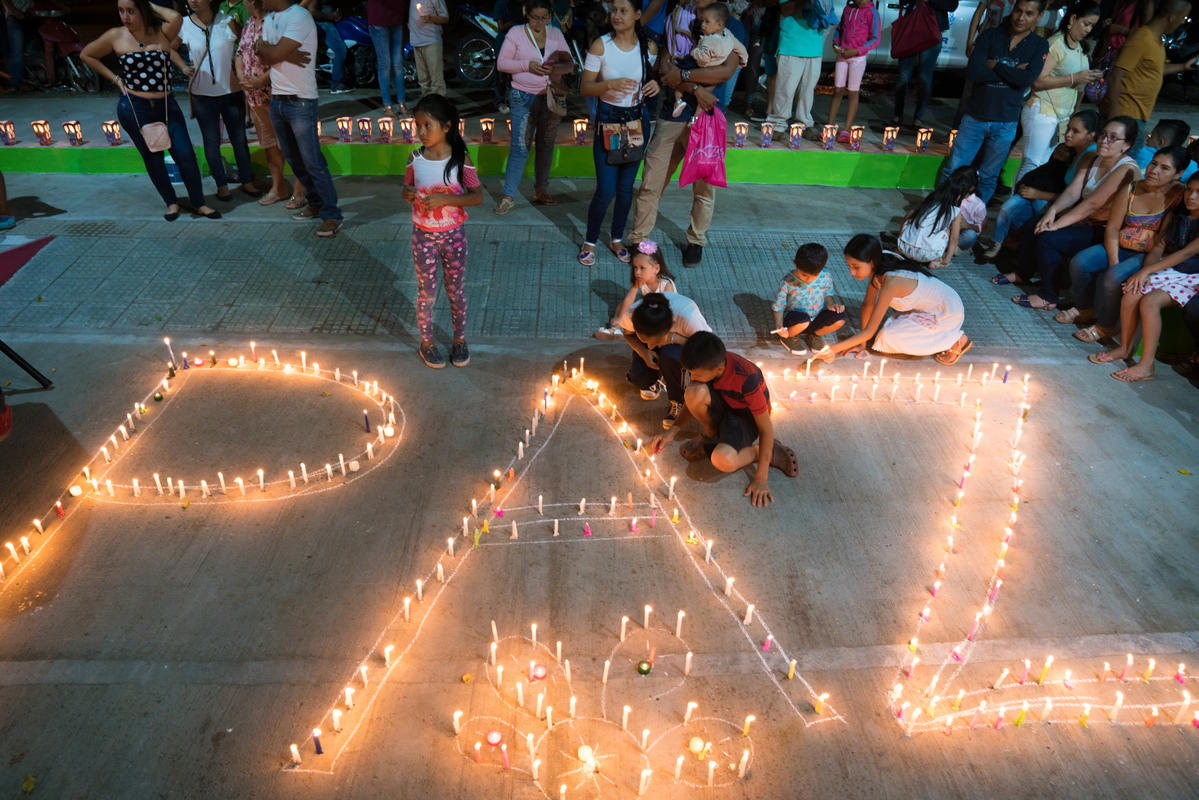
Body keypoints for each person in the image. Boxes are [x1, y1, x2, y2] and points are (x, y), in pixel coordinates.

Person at [81, 0, 220, 221]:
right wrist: (116, 79)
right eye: (121, 11)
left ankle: (199, 203)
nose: (125, 16)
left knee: (185, 154)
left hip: (166, 106)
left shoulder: (161, 32)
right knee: (153, 157)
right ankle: (171, 203)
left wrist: (147, 3)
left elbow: (176, 17)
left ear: (143, 11)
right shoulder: (116, 35)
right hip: (135, 108)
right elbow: (87, 55)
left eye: (131, 11)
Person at [628, 0, 739, 269]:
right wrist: (696, 89)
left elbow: (726, 70)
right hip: (672, 113)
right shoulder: (677, 15)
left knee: (704, 188)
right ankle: (638, 239)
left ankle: (696, 241)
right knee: (652, 180)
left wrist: (686, 78)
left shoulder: (727, 24)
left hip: (706, 117)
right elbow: (667, 66)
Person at [652, 331, 799, 508]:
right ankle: (710, 435)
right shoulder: (705, 363)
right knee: (693, 392)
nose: (693, 377)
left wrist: (760, 478)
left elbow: (766, 429)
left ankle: (759, 453)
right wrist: (673, 430)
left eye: (696, 375)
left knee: (722, 460)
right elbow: (692, 399)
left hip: (745, 418)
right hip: (726, 405)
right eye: (691, 373)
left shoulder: (747, 379)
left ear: (719, 370)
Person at [1005, 116, 1141, 305]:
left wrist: (1056, 225)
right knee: (1037, 223)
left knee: (1049, 237)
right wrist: (1052, 212)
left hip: (1106, 228)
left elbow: (1093, 203)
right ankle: (1023, 274)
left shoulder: (1126, 169)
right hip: (1085, 219)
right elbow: (1073, 191)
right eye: (1103, 135)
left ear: (1126, 145)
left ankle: (1048, 295)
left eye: (1113, 137)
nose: (1104, 140)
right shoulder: (1091, 157)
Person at [1060, 145, 1186, 341]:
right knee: (1080, 263)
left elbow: (1161, 242)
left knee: (1113, 277)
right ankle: (1085, 307)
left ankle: (1105, 326)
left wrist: (1146, 271)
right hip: (1120, 245)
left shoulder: (1179, 197)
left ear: (1178, 174)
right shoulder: (1132, 189)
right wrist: (1114, 259)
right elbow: (1112, 228)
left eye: (1164, 168)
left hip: (1148, 254)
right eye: (1153, 163)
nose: (1154, 171)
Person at [1093, 172, 1199, 380]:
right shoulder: (1177, 215)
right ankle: (1124, 348)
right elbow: (1159, 247)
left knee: (1150, 302)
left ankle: (1146, 365)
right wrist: (1147, 273)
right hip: (1171, 270)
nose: (1192, 196)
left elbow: (1186, 254)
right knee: (1132, 291)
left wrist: (1146, 271)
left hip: (1192, 275)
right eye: (1190, 190)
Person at [402, 94, 483, 369]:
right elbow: (406, 189)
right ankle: (427, 342)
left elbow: (476, 197)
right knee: (426, 292)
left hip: (454, 236)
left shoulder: (461, 159)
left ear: (447, 127)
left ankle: (459, 339)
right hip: (422, 236)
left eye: (428, 126)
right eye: (418, 126)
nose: (421, 132)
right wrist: (408, 193)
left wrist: (445, 200)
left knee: (455, 290)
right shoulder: (414, 159)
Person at [577, 0, 659, 266]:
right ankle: (589, 241)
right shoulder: (602, 45)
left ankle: (616, 238)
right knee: (605, 189)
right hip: (609, 120)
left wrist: (654, 85)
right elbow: (585, 88)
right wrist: (608, 84)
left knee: (625, 190)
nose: (616, 15)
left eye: (623, 11)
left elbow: (652, 78)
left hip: (637, 121)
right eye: (613, 10)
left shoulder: (649, 47)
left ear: (637, 14)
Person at [943, 0, 1048, 205]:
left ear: (1039, 16)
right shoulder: (990, 35)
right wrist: (1013, 73)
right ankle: (941, 213)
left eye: (1028, 13)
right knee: (954, 169)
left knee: (988, 176)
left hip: (1006, 121)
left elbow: (1027, 80)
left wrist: (995, 66)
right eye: (1018, 11)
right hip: (975, 116)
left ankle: (973, 220)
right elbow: (974, 71)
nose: (1021, 17)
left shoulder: (1039, 45)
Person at [256, 0, 344, 237]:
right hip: (278, 99)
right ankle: (315, 204)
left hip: (301, 100)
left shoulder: (299, 16)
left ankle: (331, 215)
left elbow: (269, 52)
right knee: (295, 160)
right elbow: (262, 55)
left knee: (313, 161)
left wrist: (275, 52)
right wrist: (285, 54)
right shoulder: (271, 18)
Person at [820, 234, 972, 364]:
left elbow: (869, 331)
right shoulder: (878, 266)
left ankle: (955, 339)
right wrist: (862, 344)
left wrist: (833, 349)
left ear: (871, 261)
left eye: (856, 267)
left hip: (947, 313)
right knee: (886, 336)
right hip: (925, 310)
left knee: (889, 338)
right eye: (849, 266)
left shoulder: (892, 282)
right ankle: (942, 336)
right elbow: (867, 306)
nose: (851, 272)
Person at [982, 109, 1099, 257]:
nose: (1068, 134)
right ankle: (1000, 241)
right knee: (1010, 206)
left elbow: (1074, 196)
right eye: (1068, 128)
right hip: (1055, 198)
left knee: (1032, 205)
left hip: (1072, 209)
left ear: (1091, 135)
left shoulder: (1089, 156)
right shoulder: (1072, 150)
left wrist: (1038, 194)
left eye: (1075, 131)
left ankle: (1017, 246)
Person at [178, 0, 261, 201]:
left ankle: (247, 181)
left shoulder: (227, 21)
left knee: (239, 140)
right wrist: (182, 66)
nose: (193, 1)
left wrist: (244, 73)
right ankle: (221, 185)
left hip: (231, 91)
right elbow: (167, 47)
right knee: (211, 141)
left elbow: (245, 46)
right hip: (202, 94)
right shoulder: (184, 24)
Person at [495, 0, 573, 213]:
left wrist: (555, 68)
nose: (540, 22)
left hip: (550, 97)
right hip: (522, 96)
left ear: (550, 16)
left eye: (544, 18)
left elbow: (569, 63)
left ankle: (541, 190)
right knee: (520, 146)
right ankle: (508, 195)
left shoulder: (555, 33)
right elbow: (502, 63)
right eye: (535, 17)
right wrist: (526, 66)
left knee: (546, 145)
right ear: (526, 15)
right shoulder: (516, 33)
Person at [1015, 2, 1102, 181]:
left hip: (1064, 115)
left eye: (1092, 25)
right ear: (1073, 18)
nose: (1088, 29)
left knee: (1047, 162)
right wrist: (1074, 78)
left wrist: (1075, 110)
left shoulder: (1081, 47)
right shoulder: (1055, 44)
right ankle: (1016, 203)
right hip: (1043, 109)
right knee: (1033, 162)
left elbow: (1079, 86)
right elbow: (1038, 81)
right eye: (1086, 23)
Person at [236, 0, 306, 206]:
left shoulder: (276, 21)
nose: (243, 3)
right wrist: (241, 76)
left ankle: (301, 190)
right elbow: (240, 53)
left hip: (278, 93)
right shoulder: (249, 23)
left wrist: (260, 80)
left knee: (291, 144)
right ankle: (278, 187)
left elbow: (284, 57)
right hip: (254, 96)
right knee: (269, 144)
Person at [618, 289, 710, 429]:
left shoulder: (688, 318)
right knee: (639, 378)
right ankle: (656, 379)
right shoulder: (635, 314)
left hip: (678, 344)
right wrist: (644, 352)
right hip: (659, 339)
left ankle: (677, 400)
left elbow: (708, 346)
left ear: (668, 329)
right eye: (644, 339)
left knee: (670, 356)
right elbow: (628, 335)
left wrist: (676, 339)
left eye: (653, 341)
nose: (650, 345)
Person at [1101, 0, 1198, 125]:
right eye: (1183, 17)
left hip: (1136, 115)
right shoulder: (1141, 38)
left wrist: (1183, 67)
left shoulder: (1157, 41)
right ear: (1170, 18)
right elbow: (1116, 76)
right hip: (1125, 115)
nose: (1183, 22)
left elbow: (1155, 69)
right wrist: (1114, 116)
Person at [669, 2, 748, 119]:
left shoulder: (709, 39)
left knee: (680, 86)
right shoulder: (728, 35)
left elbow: (704, 60)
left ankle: (678, 102)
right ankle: (696, 115)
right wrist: (744, 59)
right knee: (707, 93)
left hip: (702, 69)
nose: (703, 25)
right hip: (712, 80)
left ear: (719, 24)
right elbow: (740, 47)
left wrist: (694, 52)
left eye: (707, 22)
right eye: (702, 21)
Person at [891, 0, 959, 130]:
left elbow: (951, 5)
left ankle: (918, 118)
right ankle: (897, 116)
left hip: (932, 33)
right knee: (903, 77)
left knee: (925, 78)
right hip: (910, 31)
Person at [771, 241, 846, 355]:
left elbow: (828, 293)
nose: (808, 280)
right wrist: (780, 326)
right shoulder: (788, 281)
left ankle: (814, 335)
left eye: (814, 276)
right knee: (803, 320)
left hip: (815, 318)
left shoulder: (825, 276)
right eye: (804, 275)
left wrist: (831, 304)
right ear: (795, 263)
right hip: (796, 320)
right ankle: (789, 336)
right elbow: (779, 306)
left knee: (840, 318)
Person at [764, 1, 824, 140]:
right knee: (785, 89)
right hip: (791, 46)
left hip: (815, 48)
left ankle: (803, 124)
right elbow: (786, 9)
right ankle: (778, 124)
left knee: (807, 91)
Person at [595, 239, 678, 339]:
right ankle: (617, 327)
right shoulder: (640, 280)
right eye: (635, 267)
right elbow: (629, 299)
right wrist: (619, 317)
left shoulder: (666, 286)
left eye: (642, 268)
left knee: (635, 318)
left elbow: (668, 313)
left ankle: (619, 328)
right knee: (621, 306)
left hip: (662, 317)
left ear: (656, 269)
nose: (637, 272)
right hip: (650, 308)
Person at [898, 166, 978, 267]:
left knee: (912, 217)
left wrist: (901, 238)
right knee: (947, 231)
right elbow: (954, 239)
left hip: (904, 248)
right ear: (961, 194)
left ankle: (902, 247)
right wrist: (945, 261)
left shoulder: (931, 199)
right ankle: (936, 261)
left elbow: (908, 215)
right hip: (928, 254)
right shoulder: (955, 211)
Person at [826, 0, 879, 141]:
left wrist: (857, 50)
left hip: (858, 58)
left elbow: (875, 39)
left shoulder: (872, 12)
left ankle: (846, 130)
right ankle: (829, 126)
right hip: (842, 55)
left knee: (853, 92)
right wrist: (836, 44)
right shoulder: (848, 8)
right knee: (837, 90)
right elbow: (840, 29)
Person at [368, 0, 408, 115]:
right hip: (379, 19)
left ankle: (402, 104)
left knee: (398, 64)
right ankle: (387, 106)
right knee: (385, 64)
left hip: (396, 18)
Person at [301, 0, 349, 92]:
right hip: (322, 23)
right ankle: (336, 84)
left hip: (325, 21)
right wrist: (331, 16)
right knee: (340, 50)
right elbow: (312, 10)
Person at [409, 0, 447, 100]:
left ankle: (439, 106)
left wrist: (430, 18)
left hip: (431, 41)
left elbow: (445, 18)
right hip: (416, 42)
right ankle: (427, 106)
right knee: (423, 80)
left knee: (436, 80)